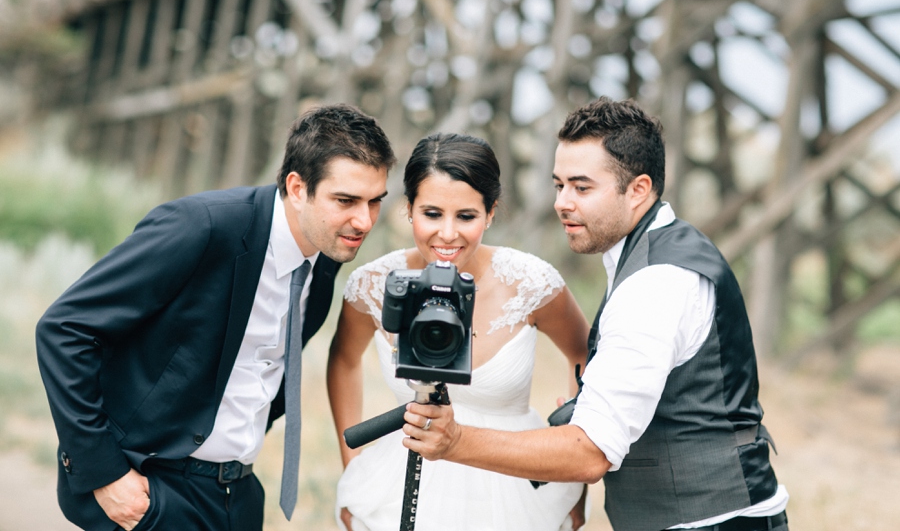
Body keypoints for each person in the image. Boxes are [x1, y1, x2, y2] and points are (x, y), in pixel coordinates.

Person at [403, 98, 790, 531]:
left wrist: (454, 441)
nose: (562, 203)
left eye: (582, 188)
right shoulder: (656, 250)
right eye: (558, 185)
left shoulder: (654, 284)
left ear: (638, 189)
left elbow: (589, 453)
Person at [35, 104, 396, 531]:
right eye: (346, 200)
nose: (364, 220)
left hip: (239, 499)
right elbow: (64, 329)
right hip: (155, 493)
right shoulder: (202, 227)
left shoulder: (327, 257)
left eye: (375, 202)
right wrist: (105, 473)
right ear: (297, 188)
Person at [326, 133, 590, 531]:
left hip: (513, 485)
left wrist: (575, 470)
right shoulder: (373, 284)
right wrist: (354, 463)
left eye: (466, 216)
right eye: (432, 213)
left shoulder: (531, 282)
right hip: (404, 476)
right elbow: (343, 360)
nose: (447, 234)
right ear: (409, 209)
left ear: (491, 213)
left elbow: (586, 357)